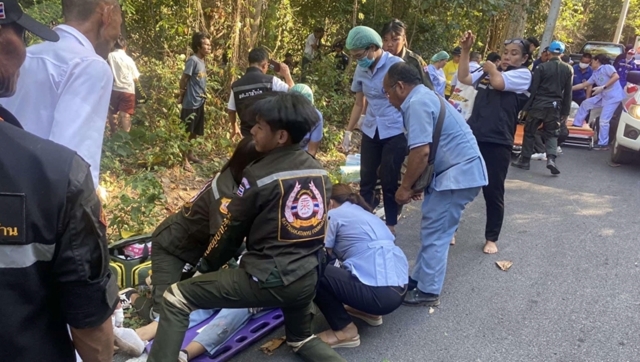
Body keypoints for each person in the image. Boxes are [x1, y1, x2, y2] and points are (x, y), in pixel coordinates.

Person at [147, 93, 346, 362]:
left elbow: (230, 231)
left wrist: (204, 268)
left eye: (260, 126)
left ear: (281, 136)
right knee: (301, 339)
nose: (252, 130)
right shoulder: (320, 172)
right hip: (307, 277)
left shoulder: (257, 175)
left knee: (176, 297)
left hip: (266, 279)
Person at [0, 3, 119, 361]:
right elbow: (75, 166)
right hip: (41, 219)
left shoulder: (37, 55)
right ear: (106, 10)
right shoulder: (91, 67)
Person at [383, 62, 487, 307]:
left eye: (387, 92)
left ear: (400, 87)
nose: (387, 98)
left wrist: (405, 188)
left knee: (437, 233)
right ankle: (419, 280)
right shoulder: (425, 96)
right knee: (434, 229)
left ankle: (428, 290)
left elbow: (420, 152)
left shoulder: (416, 103)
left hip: (458, 175)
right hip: (458, 172)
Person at [2, 0, 122, 189]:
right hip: (38, 206)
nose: (119, 33)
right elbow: (75, 171)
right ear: (107, 14)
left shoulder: (27, 55)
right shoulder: (90, 66)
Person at [457, 31, 532, 254]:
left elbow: (499, 83)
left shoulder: (523, 76)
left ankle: (491, 238)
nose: (508, 57)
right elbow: (464, 78)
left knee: (493, 191)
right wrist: (466, 51)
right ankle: (450, 229)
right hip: (474, 136)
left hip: (499, 141)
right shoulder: (489, 73)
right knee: (460, 185)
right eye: (505, 53)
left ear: (524, 59)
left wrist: (492, 69)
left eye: (514, 54)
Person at [312, 184, 408, 348]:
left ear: (329, 203)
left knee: (314, 271)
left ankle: (345, 331)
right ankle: (370, 313)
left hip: (380, 296)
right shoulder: (366, 214)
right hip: (399, 289)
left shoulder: (333, 215)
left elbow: (323, 256)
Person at [341, 26, 407, 235]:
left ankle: (390, 224)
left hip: (395, 129)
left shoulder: (396, 66)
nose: (358, 60)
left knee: (389, 179)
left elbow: (408, 100)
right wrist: (349, 131)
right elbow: (359, 104)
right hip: (371, 129)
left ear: (372, 48)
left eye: (360, 55)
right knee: (367, 179)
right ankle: (366, 221)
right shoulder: (361, 69)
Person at [512, 41, 572, 175]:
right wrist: (565, 112)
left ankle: (525, 161)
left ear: (548, 52)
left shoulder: (541, 68)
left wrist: (526, 108)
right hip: (555, 107)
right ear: (562, 54)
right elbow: (568, 93)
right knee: (552, 134)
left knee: (530, 132)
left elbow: (534, 90)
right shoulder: (568, 69)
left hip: (538, 105)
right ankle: (551, 159)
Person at [228, 47, 294, 139]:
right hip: (267, 138)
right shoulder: (272, 81)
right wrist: (287, 74)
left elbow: (231, 111)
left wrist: (234, 127)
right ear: (264, 65)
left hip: (247, 137)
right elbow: (295, 94)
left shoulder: (236, 86)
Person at [572, 53, 625, 150]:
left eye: (592, 61)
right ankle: (577, 124)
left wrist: (603, 87)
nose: (590, 64)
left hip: (613, 97)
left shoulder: (607, 67)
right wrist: (569, 88)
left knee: (604, 120)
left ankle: (603, 143)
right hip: (603, 95)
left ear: (597, 61)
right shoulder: (595, 73)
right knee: (586, 103)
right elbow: (584, 84)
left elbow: (616, 77)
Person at [178, 32, 211, 170]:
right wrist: (181, 93)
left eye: (210, 45)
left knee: (194, 131)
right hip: (190, 102)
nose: (209, 47)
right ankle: (184, 159)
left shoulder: (202, 61)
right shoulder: (193, 60)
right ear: (198, 46)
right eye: (206, 44)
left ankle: (190, 154)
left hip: (200, 101)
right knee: (186, 131)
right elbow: (184, 78)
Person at [380, 19, 434, 90]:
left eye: (395, 39)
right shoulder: (379, 60)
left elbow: (428, 89)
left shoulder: (415, 61)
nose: (389, 44)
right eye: (385, 40)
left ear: (404, 39)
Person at [107, 36, 140, 133]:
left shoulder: (109, 56)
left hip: (114, 89)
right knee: (125, 115)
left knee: (112, 113)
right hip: (128, 90)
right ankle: (125, 139)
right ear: (124, 47)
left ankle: (113, 135)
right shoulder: (129, 59)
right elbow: (136, 77)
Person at [290, 84, 323, 156]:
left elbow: (312, 150)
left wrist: (305, 165)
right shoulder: (282, 114)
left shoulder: (316, 117)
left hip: (302, 155)